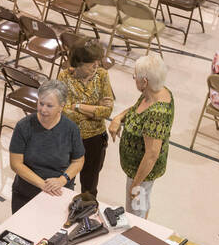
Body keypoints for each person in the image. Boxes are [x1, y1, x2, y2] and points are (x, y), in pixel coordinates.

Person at [109, 53, 173, 219]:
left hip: (142, 173)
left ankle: (138, 239)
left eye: (134, 76)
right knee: (140, 205)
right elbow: (137, 109)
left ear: (144, 82)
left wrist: (136, 185)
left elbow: (151, 155)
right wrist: (119, 117)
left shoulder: (157, 113)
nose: (134, 79)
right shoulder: (154, 92)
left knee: (136, 211)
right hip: (136, 170)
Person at [8, 79, 86, 213]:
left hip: (59, 194)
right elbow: (16, 164)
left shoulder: (71, 129)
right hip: (26, 194)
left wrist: (62, 180)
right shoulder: (23, 126)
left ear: (62, 106)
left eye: (49, 106)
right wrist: (43, 185)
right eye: (41, 103)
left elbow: (78, 160)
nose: (43, 109)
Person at [58, 41, 114, 197]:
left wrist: (76, 106)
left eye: (97, 61)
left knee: (89, 186)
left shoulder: (102, 75)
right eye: (91, 62)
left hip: (95, 140)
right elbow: (64, 112)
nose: (96, 65)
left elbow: (107, 110)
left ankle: (86, 214)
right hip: (70, 138)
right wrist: (94, 109)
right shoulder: (64, 76)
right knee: (65, 181)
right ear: (79, 63)